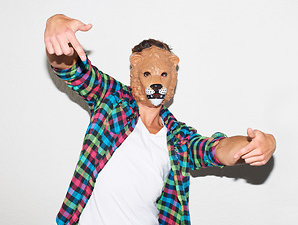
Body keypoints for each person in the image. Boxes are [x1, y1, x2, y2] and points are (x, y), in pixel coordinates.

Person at [44, 14, 276, 225]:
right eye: (147, 73)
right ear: (135, 70)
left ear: (173, 76)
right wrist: (56, 27)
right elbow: (74, 72)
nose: (156, 81)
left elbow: (216, 150)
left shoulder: (177, 137)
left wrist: (257, 144)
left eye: (163, 74)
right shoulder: (111, 100)